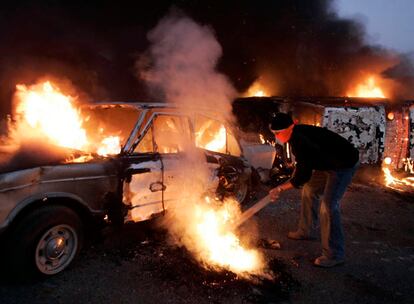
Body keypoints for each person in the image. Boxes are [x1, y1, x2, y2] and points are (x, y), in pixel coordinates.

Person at [269, 112, 359, 268]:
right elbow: (303, 167)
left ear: (290, 127)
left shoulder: (301, 141)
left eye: (278, 133)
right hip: (326, 163)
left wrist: (280, 188)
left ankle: (334, 255)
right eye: (274, 133)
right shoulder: (295, 135)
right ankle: (306, 230)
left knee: (329, 206)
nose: (276, 136)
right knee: (309, 190)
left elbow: (302, 176)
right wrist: (284, 185)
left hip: (342, 165)